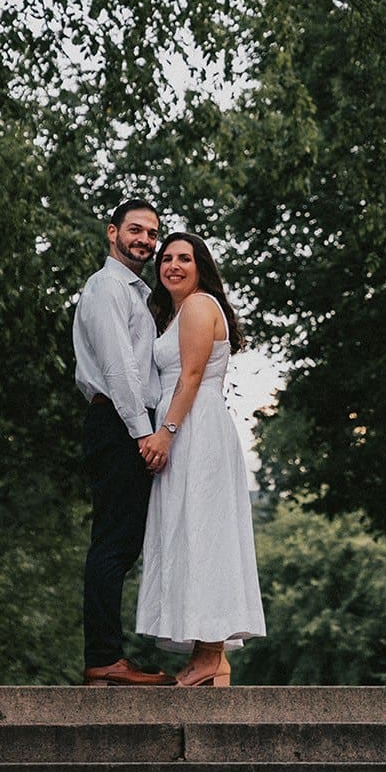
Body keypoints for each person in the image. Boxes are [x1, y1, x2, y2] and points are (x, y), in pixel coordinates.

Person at [136, 232, 266, 686]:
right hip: (191, 424)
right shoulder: (179, 312)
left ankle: (210, 654)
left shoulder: (197, 306)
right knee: (192, 532)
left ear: (200, 265)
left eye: (184, 258)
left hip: (194, 428)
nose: (172, 265)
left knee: (202, 532)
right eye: (166, 258)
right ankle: (209, 658)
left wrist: (165, 434)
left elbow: (190, 376)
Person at [72, 198, 176, 686]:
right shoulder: (107, 287)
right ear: (111, 232)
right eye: (136, 230)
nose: (146, 241)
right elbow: (119, 371)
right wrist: (145, 436)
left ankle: (107, 654)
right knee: (112, 545)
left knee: (119, 543)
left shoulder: (135, 293)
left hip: (123, 423)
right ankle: (105, 658)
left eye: (152, 234)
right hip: (117, 423)